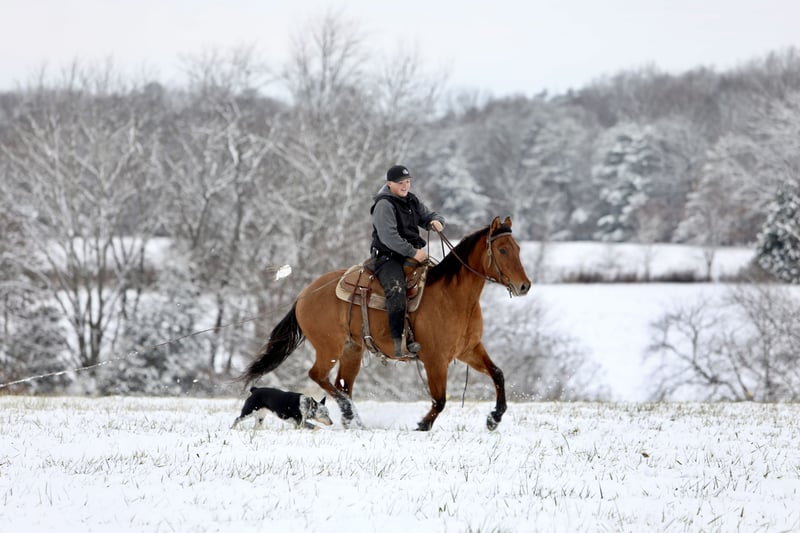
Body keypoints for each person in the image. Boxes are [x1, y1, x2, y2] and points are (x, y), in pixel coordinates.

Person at [370, 164, 445, 358]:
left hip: (412, 255)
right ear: (389, 184)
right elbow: (389, 237)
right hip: (388, 257)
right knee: (397, 290)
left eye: (407, 182)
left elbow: (428, 215)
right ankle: (398, 341)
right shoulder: (384, 205)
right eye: (400, 183)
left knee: (439, 283)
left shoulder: (411, 200)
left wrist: (436, 221)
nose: (405, 186)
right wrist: (413, 252)